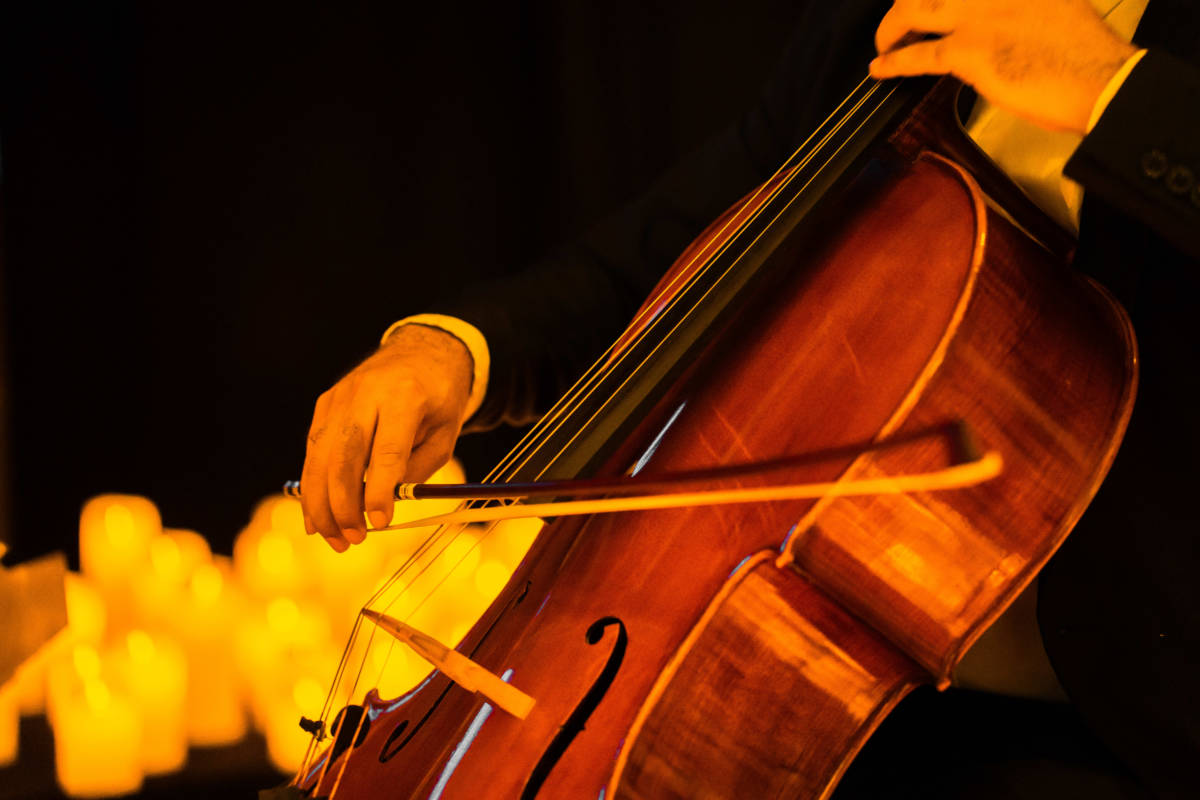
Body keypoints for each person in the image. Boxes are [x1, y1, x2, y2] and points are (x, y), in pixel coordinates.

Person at [299, 1, 1199, 796]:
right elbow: (697, 233)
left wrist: (1117, 91)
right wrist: (452, 355)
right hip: (851, 692)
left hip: (1133, 713)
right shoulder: (895, 10)